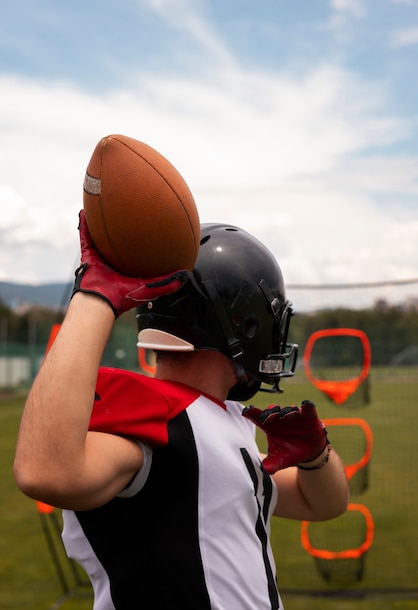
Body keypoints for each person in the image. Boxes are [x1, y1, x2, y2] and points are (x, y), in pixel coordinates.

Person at [14, 212, 349, 610]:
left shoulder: (216, 422)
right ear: (248, 326)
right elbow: (44, 472)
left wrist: (316, 458)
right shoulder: (161, 416)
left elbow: (324, 504)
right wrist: (95, 295)